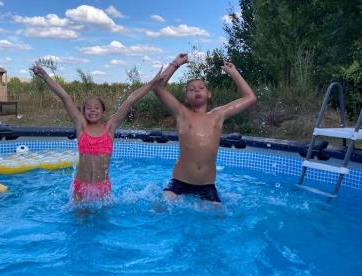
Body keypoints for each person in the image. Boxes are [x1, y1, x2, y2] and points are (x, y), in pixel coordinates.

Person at [31, 64, 163, 201]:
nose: (92, 110)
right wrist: (45, 76)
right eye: (88, 108)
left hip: (103, 187)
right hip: (80, 187)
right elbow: (65, 97)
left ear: (103, 111)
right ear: (83, 112)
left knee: (102, 221)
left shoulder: (110, 128)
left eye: (96, 107)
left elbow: (130, 100)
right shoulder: (81, 126)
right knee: (79, 221)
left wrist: (152, 83)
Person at [153, 53, 257, 203]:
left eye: (201, 87)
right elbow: (157, 87)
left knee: (218, 218)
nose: (196, 90)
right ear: (186, 97)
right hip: (179, 182)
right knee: (161, 208)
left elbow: (250, 98)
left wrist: (234, 73)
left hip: (206, 185)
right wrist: (175, 63)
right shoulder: (182, 113)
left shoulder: (218, 115)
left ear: (208, 94)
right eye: (192, 89)